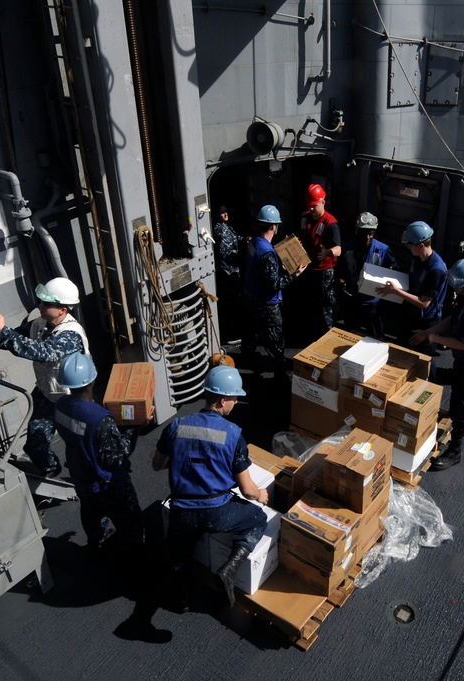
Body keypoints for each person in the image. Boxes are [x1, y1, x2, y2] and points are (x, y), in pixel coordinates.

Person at [152, 366, 268, 607]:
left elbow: (157, 464)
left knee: (177, 555)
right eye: (235, 398)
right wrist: (261, 494)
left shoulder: (175, 427)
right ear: (222, 400)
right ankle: (230, 568)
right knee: (257, 519)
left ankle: (180, 599)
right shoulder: (234, 434)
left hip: (182, 511)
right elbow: (247, 490)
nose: (236, 403)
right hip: (217, 512)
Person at [0, 277, 88, 477]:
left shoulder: (71, 335)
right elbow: (11, 341)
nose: (40, 306)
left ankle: (88, 477)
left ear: (63, 309)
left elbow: (43, 352)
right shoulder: (39, 324)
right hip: (46, 394)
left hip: (71, 401)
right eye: (41, 301)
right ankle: (51, 472)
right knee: (35, 444)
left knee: (81, 447)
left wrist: (3, 330)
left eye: (47, 303)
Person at [53, 352, 143, 551]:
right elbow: (116, 457)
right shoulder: (100, 418)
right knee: (131, 525)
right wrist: (134, 425)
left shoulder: (60, 406)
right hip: (109, 485)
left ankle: (98, 546)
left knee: (92, 518)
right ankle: (136, 559)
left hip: (81, 478)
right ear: (92, 380)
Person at [412, 259, 464, 471]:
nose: (452, 286)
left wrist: (434, 339)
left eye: (456, 283)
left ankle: (456, 450)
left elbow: (463, 344)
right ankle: (462, 425)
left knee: (461, 402)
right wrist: (428, 332)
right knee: (444, 379)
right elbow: (451, 319)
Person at [377, 221, 447, 377]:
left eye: (410, 245)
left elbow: (424, 303)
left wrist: (396, 291)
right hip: (410, 315)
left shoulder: (436, 270)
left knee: (424, 361)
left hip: (425, 322)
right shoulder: (417, 258)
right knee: (402, 351)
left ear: (421, 245)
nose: (408, 248)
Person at [241, 205, 306, 369]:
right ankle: (280, 368)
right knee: (275, 339)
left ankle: (246, 359)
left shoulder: (254, 243)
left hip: (250, 299)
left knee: (251, 333)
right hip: (266, 305)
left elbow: (256, 267)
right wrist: (295, 274)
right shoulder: (267, 253)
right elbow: (274, 283)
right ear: (273, 226)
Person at [336, 211, 397, 340]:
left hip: (373, 305)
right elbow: (339, 270)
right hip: (353, 302)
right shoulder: (347, 249)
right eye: (364, 233)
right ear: (357, 231)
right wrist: (341, 282)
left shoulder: (383, 250)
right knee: (350, 338)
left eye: (370, 233)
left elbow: (394, 271)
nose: (368, 237)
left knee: (375, 340)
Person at [293, 184, 341, 341]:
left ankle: (327, 335)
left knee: (326, 304)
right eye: (309, 206)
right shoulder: (304, 217)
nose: (311, 209)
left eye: (314, 206)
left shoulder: (330, 223)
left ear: (322, 202)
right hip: (306, 267)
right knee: (307, 301)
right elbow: (301, 235)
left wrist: (327, 252)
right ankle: (308, 332)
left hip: (324, 271)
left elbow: (338, 249)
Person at [212, 205, 245, 342]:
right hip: (228, 272)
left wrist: (244, 239)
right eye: (222, 213)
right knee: (231, 303)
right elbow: (226, 252)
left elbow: (234, 238)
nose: (225, 214)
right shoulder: (219, 230)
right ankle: (232, 334)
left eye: (226, 211)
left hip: (231, 270)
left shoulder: (225, 227)